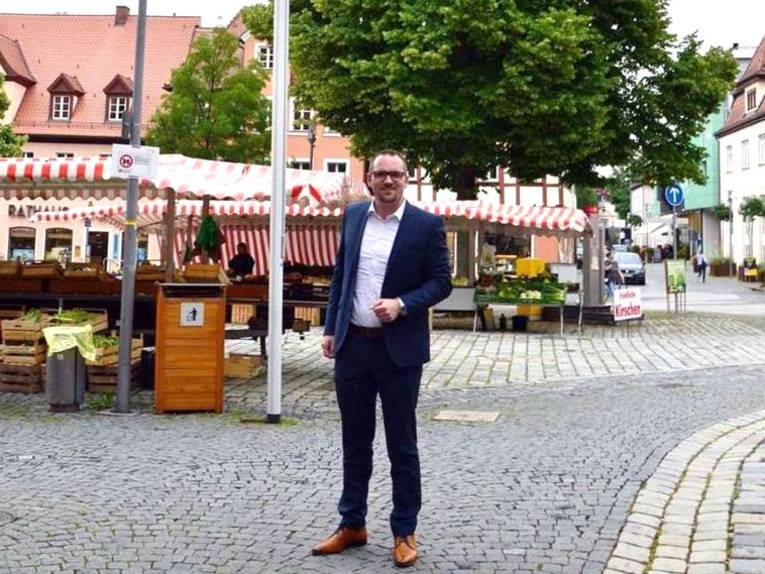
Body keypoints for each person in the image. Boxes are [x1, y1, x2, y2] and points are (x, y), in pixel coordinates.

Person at [314, 150, 452, 568]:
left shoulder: (425, 225)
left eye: (396, 174)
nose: (388, 181)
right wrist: (331, 327)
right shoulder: (354, 216)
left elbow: (442, 282)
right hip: (353, 346)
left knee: (401, 444)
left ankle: (404, 531)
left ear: (407, 179)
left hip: (399, 351)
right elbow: (343, 273)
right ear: (369, 179)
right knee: (354, 440)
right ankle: (352, 523)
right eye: (381, 174)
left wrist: (403, 304)